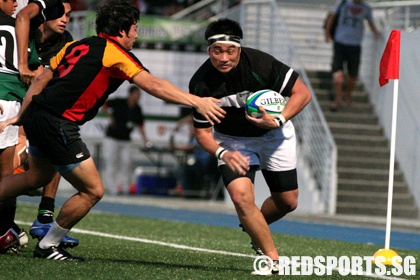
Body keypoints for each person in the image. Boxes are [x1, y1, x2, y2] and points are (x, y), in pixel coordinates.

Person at [0, 0, 225, 261]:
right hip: (57, 123)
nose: (137, 34)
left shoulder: (78, 45)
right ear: (122, 31)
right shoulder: (115, 53)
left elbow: (40, 79)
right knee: (93, 190)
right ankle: (48, 245)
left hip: (38, 115)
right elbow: (152, 84)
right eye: (134, 29)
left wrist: (21, 116)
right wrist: (196, 101)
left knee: (35, 178)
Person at [189, 18, 311, 274]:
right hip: (233, 142)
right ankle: (272, 258)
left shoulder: (261, 64)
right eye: (217, 51)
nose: (224, 57)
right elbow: (202, 133)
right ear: (209, 50)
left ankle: (253, 225)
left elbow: (303, 93)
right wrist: (222, 152)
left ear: (239, 49)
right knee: (241, 198)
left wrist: (278, 119)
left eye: (230, 51)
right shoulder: (201, 83)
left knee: (288, 202)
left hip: (275, 136)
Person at [325, 0, 380, 111]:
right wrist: (327, 33)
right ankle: (339, 98)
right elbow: (332, 16)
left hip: (355, 45)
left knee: (353, 74)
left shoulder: (366, 8)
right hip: (340, 43)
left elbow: (370, 22)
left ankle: (348, 95)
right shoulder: (343, 3)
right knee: (338, 72)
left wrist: (376, 33)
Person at [102, 85, 151, 195]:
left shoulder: (137, 109)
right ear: (130, 94)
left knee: (126, 162)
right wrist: (110, 116)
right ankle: (112, 187)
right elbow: (104, 104)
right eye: (136, 94)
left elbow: (141, 125)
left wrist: (146, 140)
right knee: (111, 162)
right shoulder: (119, 102)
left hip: (126, 139)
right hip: (112, 137)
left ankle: (125, 187)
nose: (138, 97)